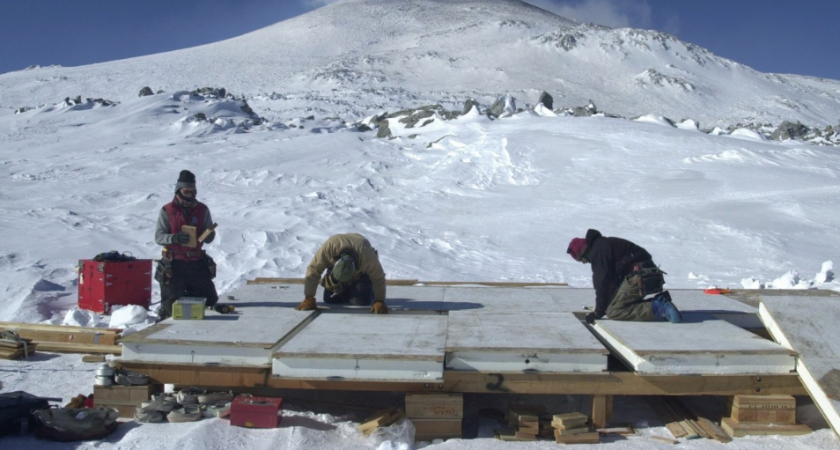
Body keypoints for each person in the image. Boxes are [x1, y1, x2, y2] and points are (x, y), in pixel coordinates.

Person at [567, 229, 682, 324]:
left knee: (614, 311)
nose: (583, 262)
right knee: (614, 304)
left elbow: (602, 284)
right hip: (648, 275)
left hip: (639, 276)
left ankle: (659, 307)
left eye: (580, 259)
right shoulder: (603, 245)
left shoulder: (599, 252)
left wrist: (598, 312)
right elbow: (611, 283)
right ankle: (659, 302)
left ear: (584, 252)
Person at [154, 170, 218, 320]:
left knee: (210, 299)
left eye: (193, 191)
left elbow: (209, 235)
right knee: (170, 307)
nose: (191, 195)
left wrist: (209, 235)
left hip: (196, 263)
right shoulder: (167, 211)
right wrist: (174, 238)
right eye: (187, 191)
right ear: (178, 190)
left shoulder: (202, 209)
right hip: (174, 264)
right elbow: (159, 236)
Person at [295, 233, 388, 314]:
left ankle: (364, 289)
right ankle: (341, 288)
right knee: (330, 300)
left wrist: (379, 300)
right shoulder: (328, 249)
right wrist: (309, 298)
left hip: (360, 275)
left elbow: (378, 277)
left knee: (359, 302)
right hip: (335, 274)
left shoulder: (366, 255)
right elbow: (313, 270)